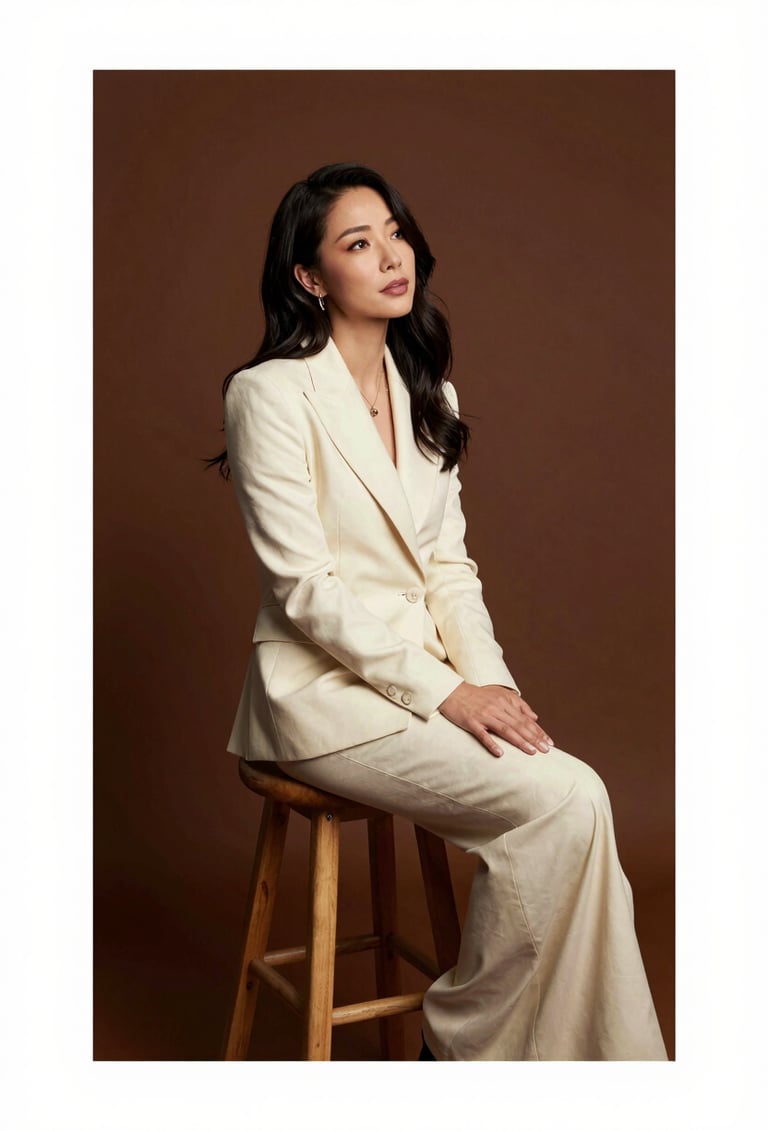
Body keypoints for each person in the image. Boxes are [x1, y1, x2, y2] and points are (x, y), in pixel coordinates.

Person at [207, 161, 668, 1061]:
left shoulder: (432, 396)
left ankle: (560, 1077)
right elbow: (306, 592)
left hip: (429, 682)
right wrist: (449, 695)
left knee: (576, 795)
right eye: (357, 242)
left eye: (395, 232)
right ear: (309, 277)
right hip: (321, 697)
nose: (391, 255)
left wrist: (491, 685)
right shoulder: (266, 393)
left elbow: (450, 568)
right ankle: (462, 1046)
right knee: (568, 801)